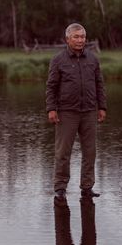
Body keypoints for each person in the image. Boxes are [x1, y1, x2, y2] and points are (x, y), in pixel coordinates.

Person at [45, 23, 107, 200]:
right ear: (68, 39)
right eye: (76, 37)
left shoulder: (93, 59)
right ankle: (60, 188)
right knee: (63, 152)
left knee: (90, 152)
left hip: (89, 112)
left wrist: (102, 107)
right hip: (66, 112)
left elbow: (99, 84)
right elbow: (51, 86)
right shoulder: (58, 60)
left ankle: (87, 187)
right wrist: (51, 109)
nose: (80, 40)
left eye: (82, 37)